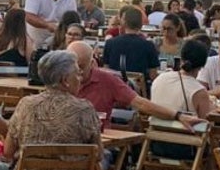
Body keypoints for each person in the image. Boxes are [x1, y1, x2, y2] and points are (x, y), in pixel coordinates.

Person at [2, 50, 101, 170]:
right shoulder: (84, 109)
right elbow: (98, 155)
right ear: (65, 81)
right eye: (77, 73)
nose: (80, 78)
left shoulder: (25, 104)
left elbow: (7, 151)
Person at [69, 41, 200, 129]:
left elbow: (141, 103)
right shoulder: (58, 78)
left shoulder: (107, 81)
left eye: (81, 67)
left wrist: (178, 116)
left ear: (92, 63)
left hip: (96, 146)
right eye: (70, 66)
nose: (77, 73)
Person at [148, 39, 213, 123]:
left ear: (181, 58)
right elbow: (204, 124)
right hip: (182, 134)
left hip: (154, 131)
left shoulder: (160, 78)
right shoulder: (199, 91)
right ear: (203, 65)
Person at [102, 6, 160, 81]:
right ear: (141, 24)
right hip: (138, 90)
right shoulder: (149, 45)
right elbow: (153, 75)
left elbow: (106, 71)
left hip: (115, 88)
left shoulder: (110, 43)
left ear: (124, 23)